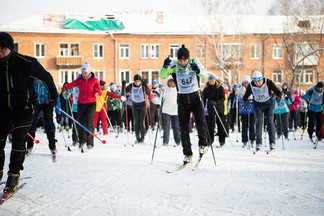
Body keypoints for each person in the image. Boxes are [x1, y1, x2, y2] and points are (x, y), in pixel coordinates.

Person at [0, 32, 57, 196]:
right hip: (3, 108)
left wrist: (53, 96)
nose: (0, 52)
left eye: (3, 48)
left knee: (18, 138)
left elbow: (46, 77)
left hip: (24, 108)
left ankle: (13, 177)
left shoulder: (26, 63)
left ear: (10, 48)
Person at [159, 44, 209, 164]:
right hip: (182, 99)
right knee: (183, 128)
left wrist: (198, 70)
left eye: (185, 59)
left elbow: (205, 75)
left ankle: (202, 145)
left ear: (188, 58)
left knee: (201, 123)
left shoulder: (194, 62)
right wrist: (164, 66)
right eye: (180, 60)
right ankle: (187, 154)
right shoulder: (174, 66)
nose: (182, 62)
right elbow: (162, 76)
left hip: (196, 98)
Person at [63, 62, 102, 150]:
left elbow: (100, 92)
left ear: (89, 72)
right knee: (81, 123)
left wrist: (97, 90)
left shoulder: (94, 80)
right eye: (82, 72)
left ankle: (90, 143)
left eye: (85, 73)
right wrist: (66, 87)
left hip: (91, 104)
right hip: (81, 103)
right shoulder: (80, 79)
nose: (83, 74)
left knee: (89, 123)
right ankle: (82, 141)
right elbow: (72, 84)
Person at [243, 71, 282, 151]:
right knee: (258, 123)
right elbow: (245, 97)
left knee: (270, 122)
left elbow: (278, 91)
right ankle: (258, 143)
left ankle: (272, 142)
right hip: (258, 106)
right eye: (255, 81)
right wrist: (246, 102)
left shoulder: (268, 82)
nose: (257, 83)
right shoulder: (251, 85)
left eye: (259, 81)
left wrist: (278, 97)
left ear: (261, 79)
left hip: (268, 105)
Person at [26, 79, 61, 156]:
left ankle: (52, 145)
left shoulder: (48, 82)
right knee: (31, 122)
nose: (38, 79)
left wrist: (58, 113)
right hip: (35, 103)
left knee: (49, 122)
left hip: (47, 104)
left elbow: (56, 97)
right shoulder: (31, 82)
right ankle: (29, 144)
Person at [126, 74, 153, 143]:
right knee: (136, 121)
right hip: (135, 105)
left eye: (138, 81)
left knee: (141, 121)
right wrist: (124, 85)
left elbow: (148, 93)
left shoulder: (143, 85)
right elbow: (124, 91)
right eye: (136, 81)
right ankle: (137, 137)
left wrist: (146, 85)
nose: (137, 83)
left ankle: (142, 137)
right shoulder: (131, 85)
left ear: (140, 81)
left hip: (142, 105)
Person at [202, 74, 226, 147]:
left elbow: (223, 98)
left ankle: (222, 141)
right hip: (210, 108)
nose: (211, 82)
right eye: (210, 81)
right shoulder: (207, 88)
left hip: (219, 108)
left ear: (215, 81)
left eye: (212, 81)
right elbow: (203, 98)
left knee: (220, 124)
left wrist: (216, 102)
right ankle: (210, 140)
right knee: (210, 125)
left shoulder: (220, 88)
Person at [237, 75, 255, 148]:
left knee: (252, 125)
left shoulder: (253, 89)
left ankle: (252, 139)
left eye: (247, 83)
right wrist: (237, 96)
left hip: (252, 110)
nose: (246, 84)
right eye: (244, 83)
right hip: (243, 110)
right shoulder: (240, 89)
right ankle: (244, 140)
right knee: (244, 126)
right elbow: (238, 98)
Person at [161, 79, 181, 146]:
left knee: (176, 126)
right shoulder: (166, 89)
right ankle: (165, 141)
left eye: (173, 83)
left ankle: (178, 141)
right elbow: (162, 99)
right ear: (169, 83)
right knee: (166, 126)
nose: (172, 84)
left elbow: (180, 99)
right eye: (171, 83)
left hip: (175, 110)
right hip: (166, 109)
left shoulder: (178, 89)